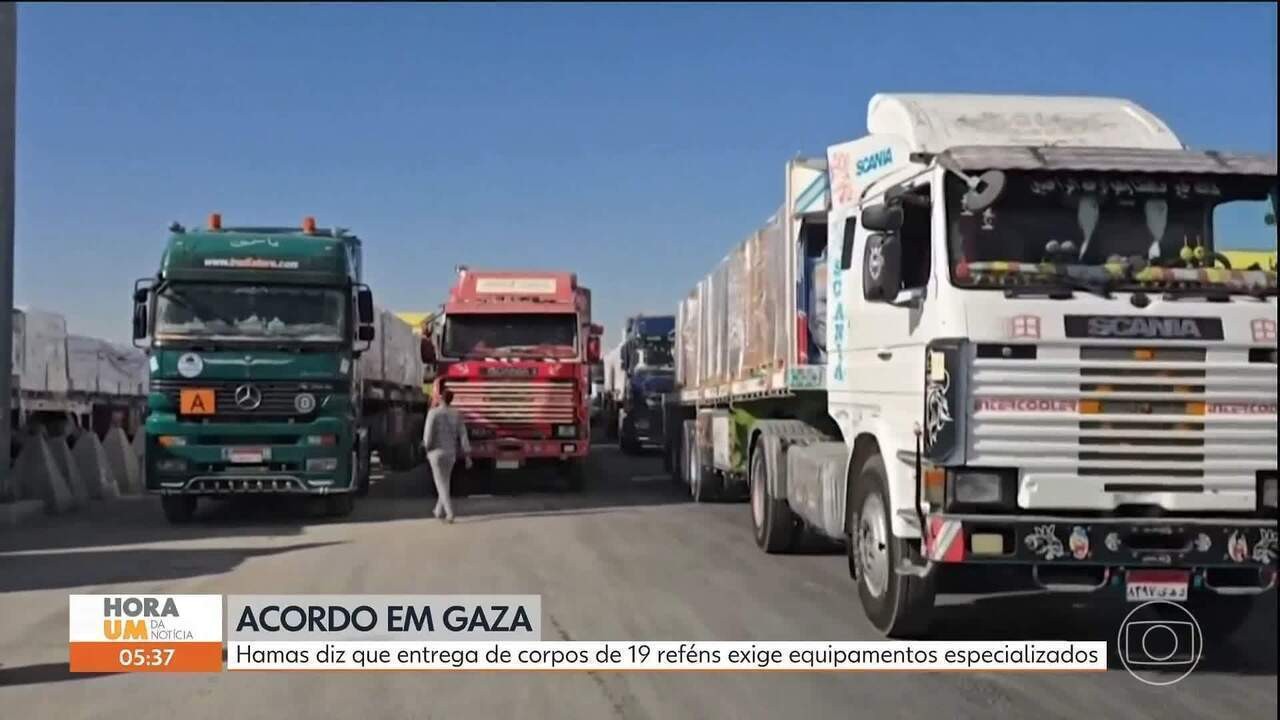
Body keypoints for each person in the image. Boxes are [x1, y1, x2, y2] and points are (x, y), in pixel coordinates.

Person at [421, 388, 472, 522]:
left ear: (441, 398)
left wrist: (426, 448)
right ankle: (438, 510)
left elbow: (428, 433)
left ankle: (449, 513)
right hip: (450, 453)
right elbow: (463, 434)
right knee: (445, 482)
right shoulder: (456, 414)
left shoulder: (433, 413)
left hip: (436, 453)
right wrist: (467, 454)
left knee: (440, 483)